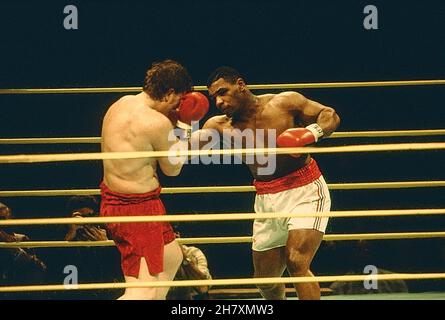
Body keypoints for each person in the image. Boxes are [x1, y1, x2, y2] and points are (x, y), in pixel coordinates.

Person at [204, 66, 340, 300]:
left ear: (240, 84)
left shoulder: (284, 102)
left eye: (222, 92)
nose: (218, 101)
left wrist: (311, 133)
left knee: (297, 262)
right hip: (266, 198)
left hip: (305, 190)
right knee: (265, 281)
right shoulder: (218, 126)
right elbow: (185, 149)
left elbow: (329, 114)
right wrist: (183, 122)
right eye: (213, 97)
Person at [100, 59, 209, 300]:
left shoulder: (121, 103)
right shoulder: (156, 122)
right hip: (136, 210)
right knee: (143, 291)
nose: (178, 107)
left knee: (172, 256)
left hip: (125, 203)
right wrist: (185, 128)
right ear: (170, 93)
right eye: (179, 101)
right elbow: (173, 170)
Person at [0, 202, 47, 299]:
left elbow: (37, 266)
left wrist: (9, 244)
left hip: (17, 288)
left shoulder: (22, 239)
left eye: (4, 219)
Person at [166, 228, 212, 300]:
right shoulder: (155, 257)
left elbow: (203, 288)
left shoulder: (193, 253)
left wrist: (183, 257)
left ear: (177, 235)